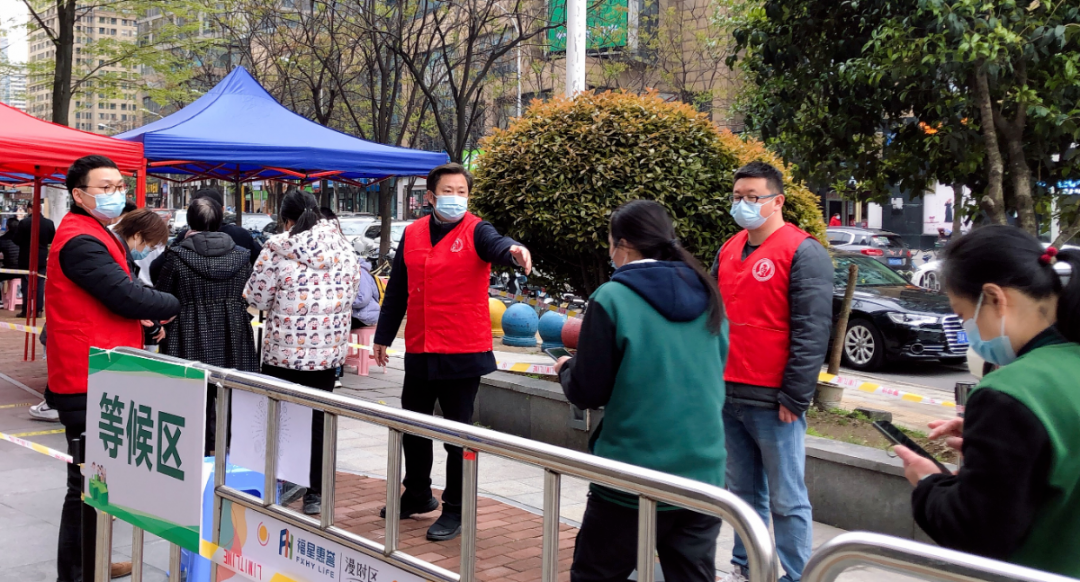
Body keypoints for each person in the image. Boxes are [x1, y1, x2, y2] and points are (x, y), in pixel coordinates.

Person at [555, 200, 728, 582]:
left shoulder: (612, 298)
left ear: (624, 244)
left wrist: (566, 368)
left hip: (632, 473)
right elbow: (715, 367)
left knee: (596, 574)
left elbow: (588, 390)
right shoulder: (708, 292)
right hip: (704, 473)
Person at [895, 226, 1080, 577]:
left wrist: (929, 482)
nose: (967, 328)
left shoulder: (1010, 392)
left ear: (994, 298)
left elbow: (975, 533)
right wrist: (992, 439)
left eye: (963, 315)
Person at [372, 162, 532, 542]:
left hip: (462, 351)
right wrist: (383, 336)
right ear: (430, 196)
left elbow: (497, 244)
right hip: (421, 346)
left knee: (456, 435)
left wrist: (514, 251)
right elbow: (398, 290)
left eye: (462, 192)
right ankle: (417, 493)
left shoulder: (476, 230)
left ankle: (456, 508)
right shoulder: (412, 233)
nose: (456, 198)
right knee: (413, 426)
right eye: (449, 191)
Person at [44, 155, 180, 582]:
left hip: (104, 371)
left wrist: (146, 322)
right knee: (86, 485)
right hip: (85, 377)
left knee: (102, 482)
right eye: (104, 187)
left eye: (119, 186)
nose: (115, 194)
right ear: (78, 194)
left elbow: (118, 295)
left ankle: (94, 560)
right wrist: (172, 304)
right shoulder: (80, 240)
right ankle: (77, 572)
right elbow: (125, 294)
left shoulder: (96, 232)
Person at [712, 161, 832, 582]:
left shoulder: (803, 252)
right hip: (728, 391)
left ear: (777, 200)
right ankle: (748, 567)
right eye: (737, 197)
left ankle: (797, 576)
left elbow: (812, 330)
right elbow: (714, 317)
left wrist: (796, 396)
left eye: (753, 197)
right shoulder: (729, 248)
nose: (743, 205)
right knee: (742, 495)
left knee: (787, 498)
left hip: (774, 400)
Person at [244, 189, 358, 515]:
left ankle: (280, 483)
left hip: (283, 352)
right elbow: (352, 293)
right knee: (318, 420)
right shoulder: (344, 248)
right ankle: (315, 492)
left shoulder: (276, 249)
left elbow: (257, 299)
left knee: (280, 420)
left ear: (286, 220)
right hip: (327, 354)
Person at [157, 198, 258, 453]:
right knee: (233, 396)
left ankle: (194, 455)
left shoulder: (177, 256)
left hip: (187, 331)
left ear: (190, 222)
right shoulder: (241, 256)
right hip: (233, 329)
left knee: (190, 399)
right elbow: (249, 293)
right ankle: (231, 454)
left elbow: (162, 297)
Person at [150, 187, 262, 282]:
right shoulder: (240, 235)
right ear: (222, 210)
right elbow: (261, 265)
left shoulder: (184, 238)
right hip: (235, 299)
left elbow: (157, 271)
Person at [110, 208, 172, 351]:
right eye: (150, 246)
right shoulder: (116, 256)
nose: (149, 251)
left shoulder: (118, 251)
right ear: (137, 235)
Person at [15, 203, 56, 318]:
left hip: (26, 257)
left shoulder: (24, 223)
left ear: (29, 209)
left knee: (26, 284)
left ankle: (26, 310)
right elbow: (52, 239)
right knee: (40, 284)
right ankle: (38, 310)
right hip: (41, 258)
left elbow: (16, 239)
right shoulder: (49, 223)